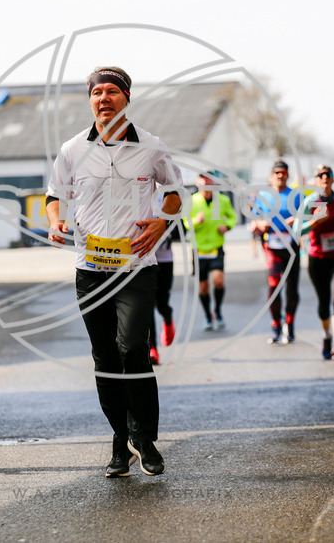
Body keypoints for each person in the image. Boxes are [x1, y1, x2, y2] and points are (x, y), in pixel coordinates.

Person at [45, 66, 182, 478]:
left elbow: (176, 194)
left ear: (126, 98)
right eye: (96, 93)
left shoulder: (152, 147)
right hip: (90, 270)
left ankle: (145, 438)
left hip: (136, 268)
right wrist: (55, 221)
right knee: (105, 358)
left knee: (133, 350)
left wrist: (161, 221)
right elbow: (54, 195)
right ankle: (119, 442)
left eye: (111, 92)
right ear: (90, 100)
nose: (103, 99)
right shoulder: (72, 149)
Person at [300, 165, 334, 360]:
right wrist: (314, 222)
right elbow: (298, 230)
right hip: (318, 258)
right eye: (320, 175)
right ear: (316, 181)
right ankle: (326, 335)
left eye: (327, 175)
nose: (324, 178)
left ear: (332, 179)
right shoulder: (310, 202)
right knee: (323, 302)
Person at [252, 159, 301, 344]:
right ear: (271, 177)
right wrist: (259, 224)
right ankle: (276, 325)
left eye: (283, 172)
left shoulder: (296, 195)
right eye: (277, 173)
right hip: (272, 246)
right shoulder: (263, 195)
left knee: (292, 289)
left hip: (292, 247)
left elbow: (305, 216)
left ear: (288, 175)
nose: (280, 176)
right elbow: (254, 219)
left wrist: (295, 219)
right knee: (274, 286)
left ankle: (290, 325)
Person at [187, 171, 237, 330]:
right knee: (203, 287)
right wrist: (195, 221)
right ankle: (208, 315)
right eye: (202, 179)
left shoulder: (223, 200)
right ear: (197, 183)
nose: (205, 182)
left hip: (216, 247)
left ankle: (218, 311)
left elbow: (233, 217)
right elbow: (185, 223)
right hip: (199, 249)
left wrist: (227, 226)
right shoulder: (191, 201)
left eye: (208, 179)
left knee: (218, 280)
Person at [149, 197, 179, 365]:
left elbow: (180, 229)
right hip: (143, 260)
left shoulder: (167, 197)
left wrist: (166, 233)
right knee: (147, 305)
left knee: (161, 303)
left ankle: (168, 318)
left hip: (164, 260)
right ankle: (152, 348)